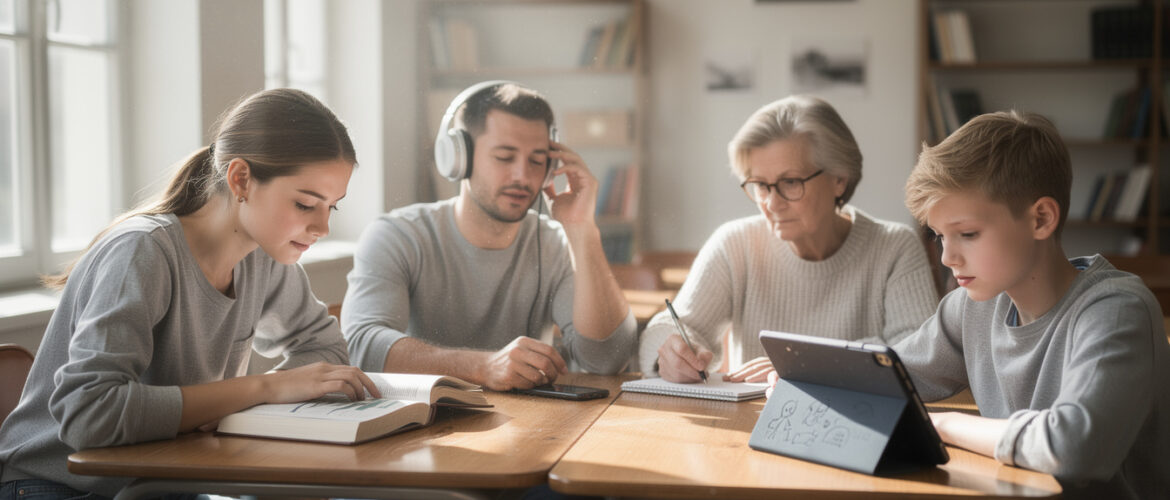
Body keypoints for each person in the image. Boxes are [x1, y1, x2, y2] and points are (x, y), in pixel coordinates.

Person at [0, 88, 380, 500]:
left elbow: (324, 350)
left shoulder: (264, 255)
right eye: (307, 204)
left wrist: (239, 404)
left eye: (332, 207)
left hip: (165, 482)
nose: (322, 228)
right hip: (57, 486)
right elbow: (89, 415)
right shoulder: (142, 252)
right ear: (241, 180)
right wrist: (262, 390)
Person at [895, 110, 1169, 499]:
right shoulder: (971, 307)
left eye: (968, 233)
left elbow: (1074, 448)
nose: (947, 257)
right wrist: (799, 373)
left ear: (1041, 218)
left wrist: (943, 425)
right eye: (940, 236)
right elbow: (888, 375)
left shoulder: (1116, 310)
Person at [342, 81, 635, 390]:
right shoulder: (397, 236)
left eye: (537, 161)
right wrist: (482, 367)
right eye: (505, 157)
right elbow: (360, 345)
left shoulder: (556, 244)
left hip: (533, 426)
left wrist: (582, 229)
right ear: (458, 158)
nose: (523, 175)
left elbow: (609, 359)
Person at [640, 95, 938, 383]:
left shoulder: (895, 247)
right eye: (760, 185)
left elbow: (922, 358)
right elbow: (668, 329)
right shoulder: (735, 244)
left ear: (839, 179)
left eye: (790, 182)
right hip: (753, 426)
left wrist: (802, 365)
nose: (771, 203)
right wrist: (671, 353)